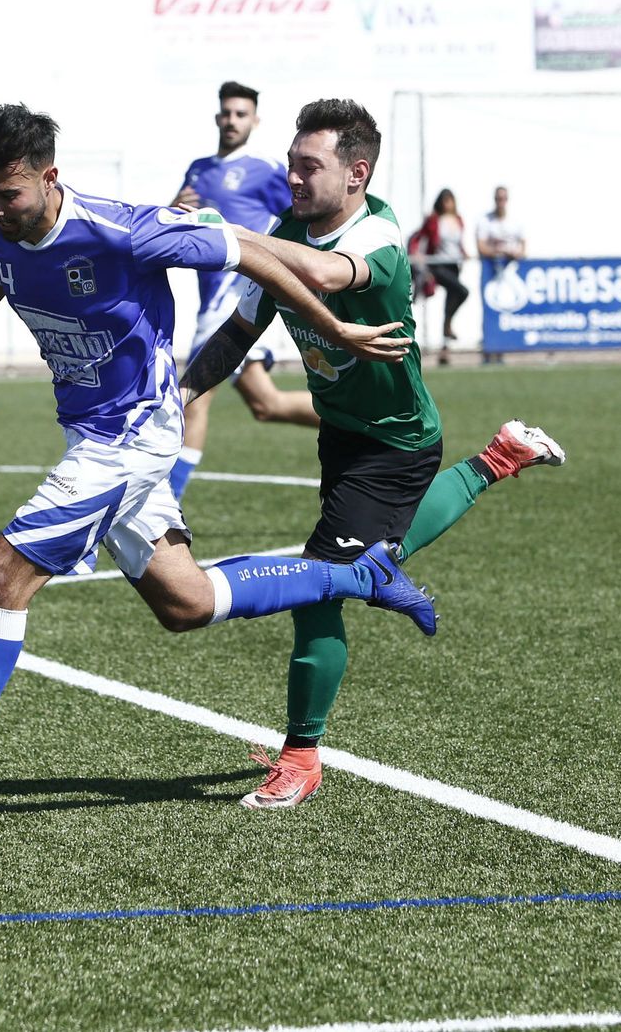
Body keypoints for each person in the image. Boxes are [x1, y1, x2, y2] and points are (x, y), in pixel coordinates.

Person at [0, 104, 440, 822]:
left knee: (1, 575)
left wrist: (334, 324)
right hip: (91, 433)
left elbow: (248, 253)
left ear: (48, 177)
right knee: (185, 605)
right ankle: (359, 574)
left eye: (9, 195)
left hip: (132, 435)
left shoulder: (127, 230)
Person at [180, 99, 565, 810]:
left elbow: (325, 277)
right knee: (357, 567)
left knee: (318, 591)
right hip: (341, 433)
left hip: (397, 442)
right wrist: (180, 394)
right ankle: (497, 459)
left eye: (308, 166)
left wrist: (226, 232)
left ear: (356, 173)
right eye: (291, 163)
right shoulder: (285, 229)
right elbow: (238, 332)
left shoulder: (379, 232)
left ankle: (301, 755)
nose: (291, 177)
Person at [168, 81, 314, 502]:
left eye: (240, 114)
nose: (232, 120)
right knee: (265, 404)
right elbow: (178, 226)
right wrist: (173, 208)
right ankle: (359, 418)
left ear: (254, 120)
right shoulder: (198, 169)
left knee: (192, 396)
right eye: (227, 113)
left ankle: (164, 508)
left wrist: (280, 267)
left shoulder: (264, 169)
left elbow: (298, 216)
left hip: (239, 295)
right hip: (209, 297)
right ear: (218, 116)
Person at [408, 188, 470, 367]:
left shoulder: (458, 220)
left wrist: (464, 252)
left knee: (450, 303)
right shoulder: (434, 220)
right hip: (438, 264)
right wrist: (415, 254)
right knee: (463, 291)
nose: (447, 204)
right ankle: (448, 326)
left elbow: (458, 243)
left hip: (454, 265)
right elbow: (417, 237)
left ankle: (445, 350)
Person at [475, 186, 525, 364]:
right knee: (489, 311)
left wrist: (513, 253)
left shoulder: (515, 223)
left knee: (505, 311)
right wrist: (498, 252)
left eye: (503, 198)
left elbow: (523, 247)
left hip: (509, 275)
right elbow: (481, 247)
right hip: (491, 273)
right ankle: (488, 350)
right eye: (498, 198)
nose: (501, 202)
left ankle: (501, 349)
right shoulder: (486, 221)